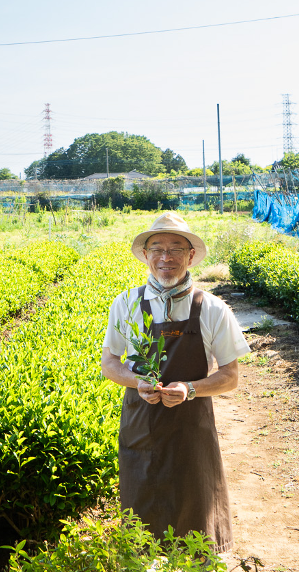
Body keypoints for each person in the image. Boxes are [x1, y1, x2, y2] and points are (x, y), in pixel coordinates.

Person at [100, 211, 248, 551]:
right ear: (146, 255)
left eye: (176, 249)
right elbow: (109, 363)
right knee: (142, 503)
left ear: (190, 255)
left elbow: (230, 376)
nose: (166, 258)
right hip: (142, 421)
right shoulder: (126, 304)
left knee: (195, 505)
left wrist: (191, 389)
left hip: (191, 426)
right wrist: (136, 381)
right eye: (157, 249)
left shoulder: (212, 308)